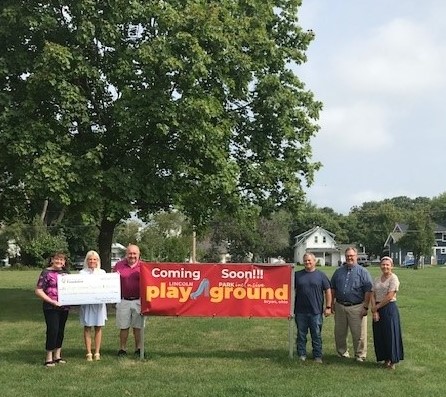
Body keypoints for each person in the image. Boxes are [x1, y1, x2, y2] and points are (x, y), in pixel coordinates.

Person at [331, 247, 373, 362]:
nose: (349, 258)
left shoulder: (363, 272)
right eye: (348, 256)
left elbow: (368, 290)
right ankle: (342, 352)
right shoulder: (338, 271)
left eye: (352, 256)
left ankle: (360, 355)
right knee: (339, 332)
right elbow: (332, 288)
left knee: (359, 333)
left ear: (356, 257)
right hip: (340, 306)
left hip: (357, 306)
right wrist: (331, 303)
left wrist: (365, 306)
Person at [294, 253, 332, 363]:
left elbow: (328, 290)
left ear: (315, 261)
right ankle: (301, 354)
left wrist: (328, 306)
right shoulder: (297, 275)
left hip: (316, 311)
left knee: (316, 335)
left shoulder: (321, 275)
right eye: (305, 260)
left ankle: (317, 356)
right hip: (300, 311)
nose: (307, 262)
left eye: (309, 260)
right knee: (301, 335)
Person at [35, 252, 70, 367]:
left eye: (61, 260)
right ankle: (49, 357)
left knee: (60, 330)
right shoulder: (46, 272)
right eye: (57, 259)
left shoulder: (66, 273)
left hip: (64, 307)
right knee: (52, 330)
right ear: (52, 260)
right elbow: (38, 290)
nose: (59, 262)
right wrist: (51, 301)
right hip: (50, 307)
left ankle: (57, 356)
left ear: (64, 262)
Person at [371, 256, 404, 369]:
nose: (385, 266)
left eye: (387, 265)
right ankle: (385, 358)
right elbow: (372, 294)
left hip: (389, 308)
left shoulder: (394, 278)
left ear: (392, 266)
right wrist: (374, 310)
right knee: (380, 334)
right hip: (377, 308)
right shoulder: (376, 279)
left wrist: (377, 307)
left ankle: (393, 360)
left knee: (391, 334)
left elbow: (390, 296)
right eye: (383, 264)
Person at [113, 244, 144, 357]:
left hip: (139, 301)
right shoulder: (119, 265)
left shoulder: (144, 266)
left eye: (134, 253)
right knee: (123, 326)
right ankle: (122, 349)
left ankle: (138, 349)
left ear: (139, 254)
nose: (132, 256)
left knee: (138, 327)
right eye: (130, 253)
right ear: (126, 254)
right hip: (123, 300)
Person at [79, 250, 108, 361]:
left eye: (94, 259)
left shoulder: (102, 273)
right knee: (87, 327)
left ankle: (97, 352)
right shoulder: (82, 273)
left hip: (99, 304)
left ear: (97, 261)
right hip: (87, 304)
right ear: (87, 260)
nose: (92, 261)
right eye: (90, 259)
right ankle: (88, 352)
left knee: (98, 326)